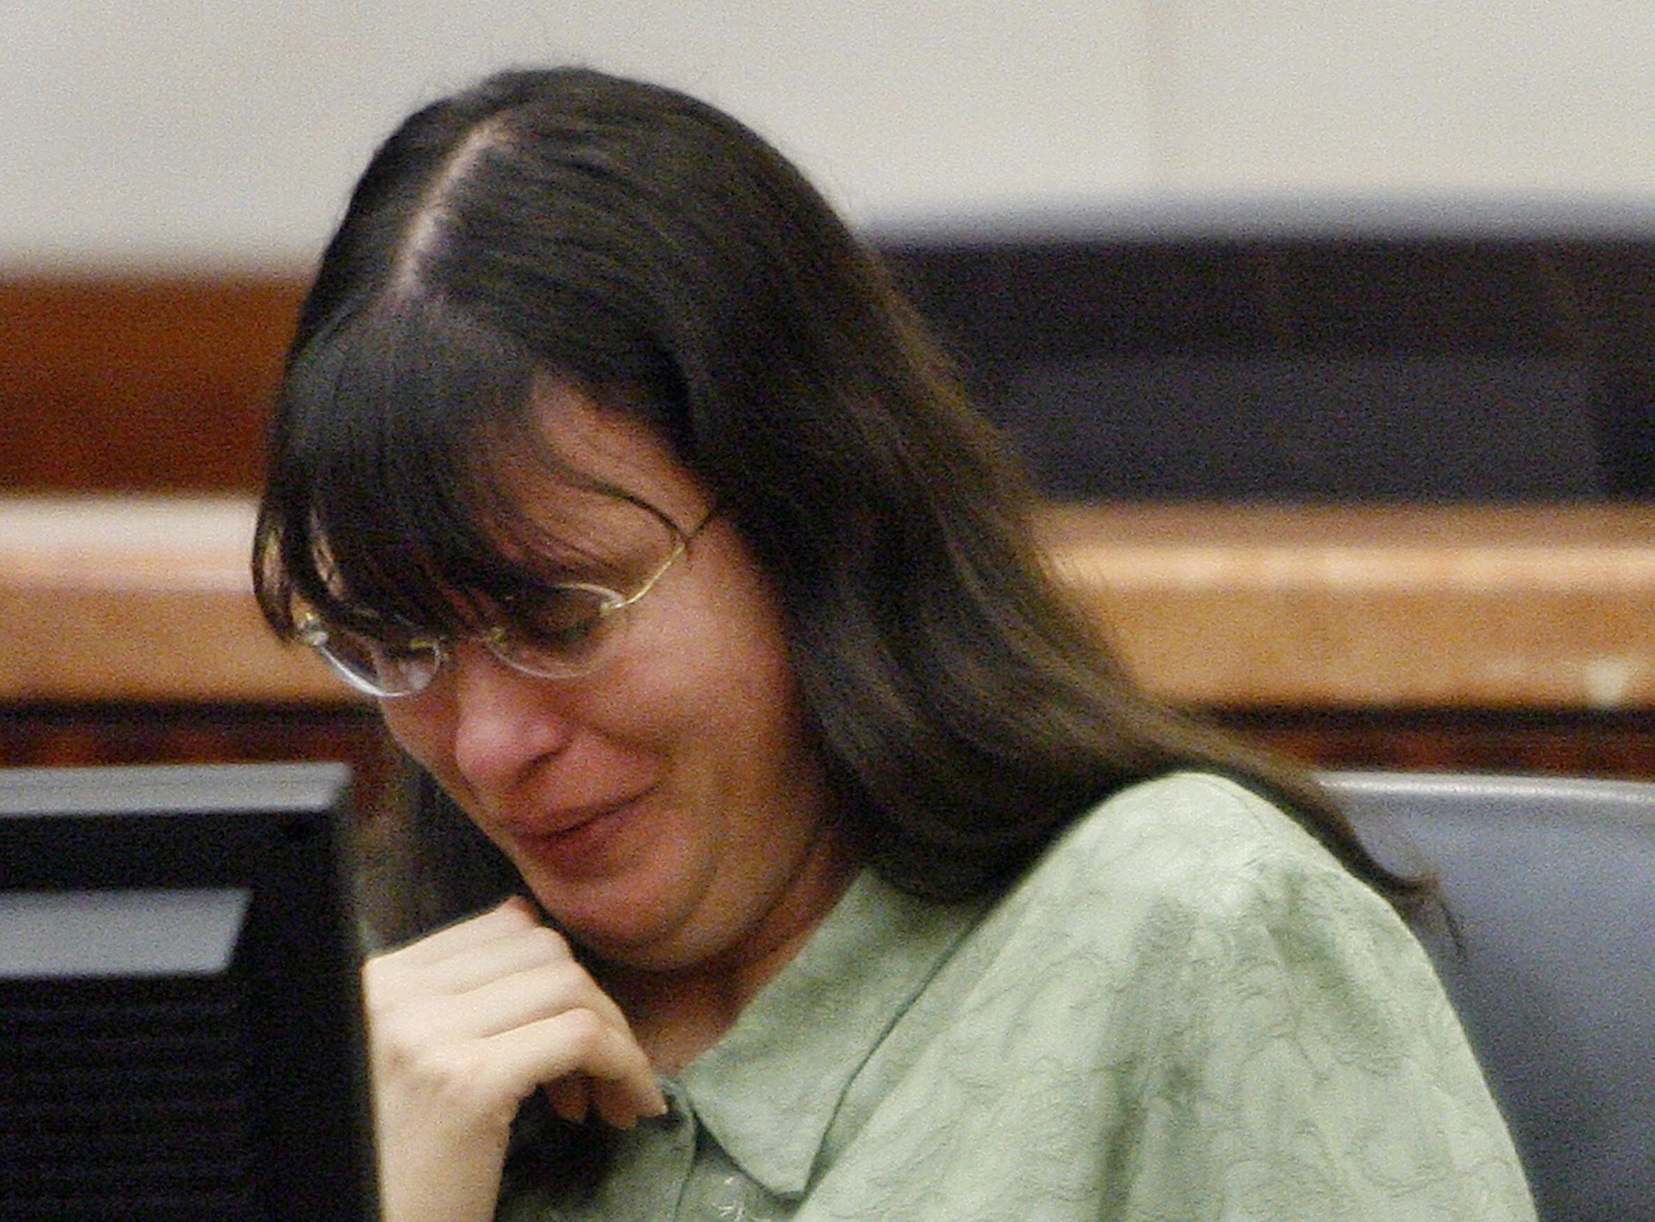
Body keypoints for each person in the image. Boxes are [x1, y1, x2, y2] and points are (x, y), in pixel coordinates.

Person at [252, 66, 1536, 1221]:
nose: (484, 745)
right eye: (397, 643)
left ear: (822, 519)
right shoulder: (376, 1029)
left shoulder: (1184, 938)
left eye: (559, 619)